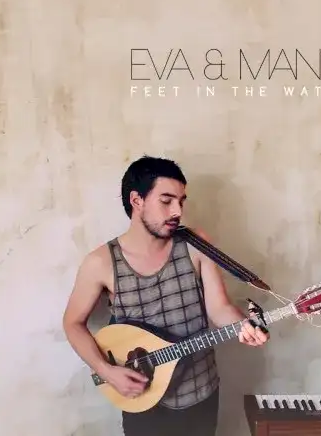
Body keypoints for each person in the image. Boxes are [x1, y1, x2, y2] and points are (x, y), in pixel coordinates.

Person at [63, 155, 269, 436]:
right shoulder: (101, 263)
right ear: (137, 200)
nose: (177, 211)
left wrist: (243, 325)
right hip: (143, 400)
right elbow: (72, 323)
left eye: (181, 201)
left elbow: (219, 308)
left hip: (201, 390)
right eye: (166, 201)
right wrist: (106, 370)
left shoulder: (196, 243)